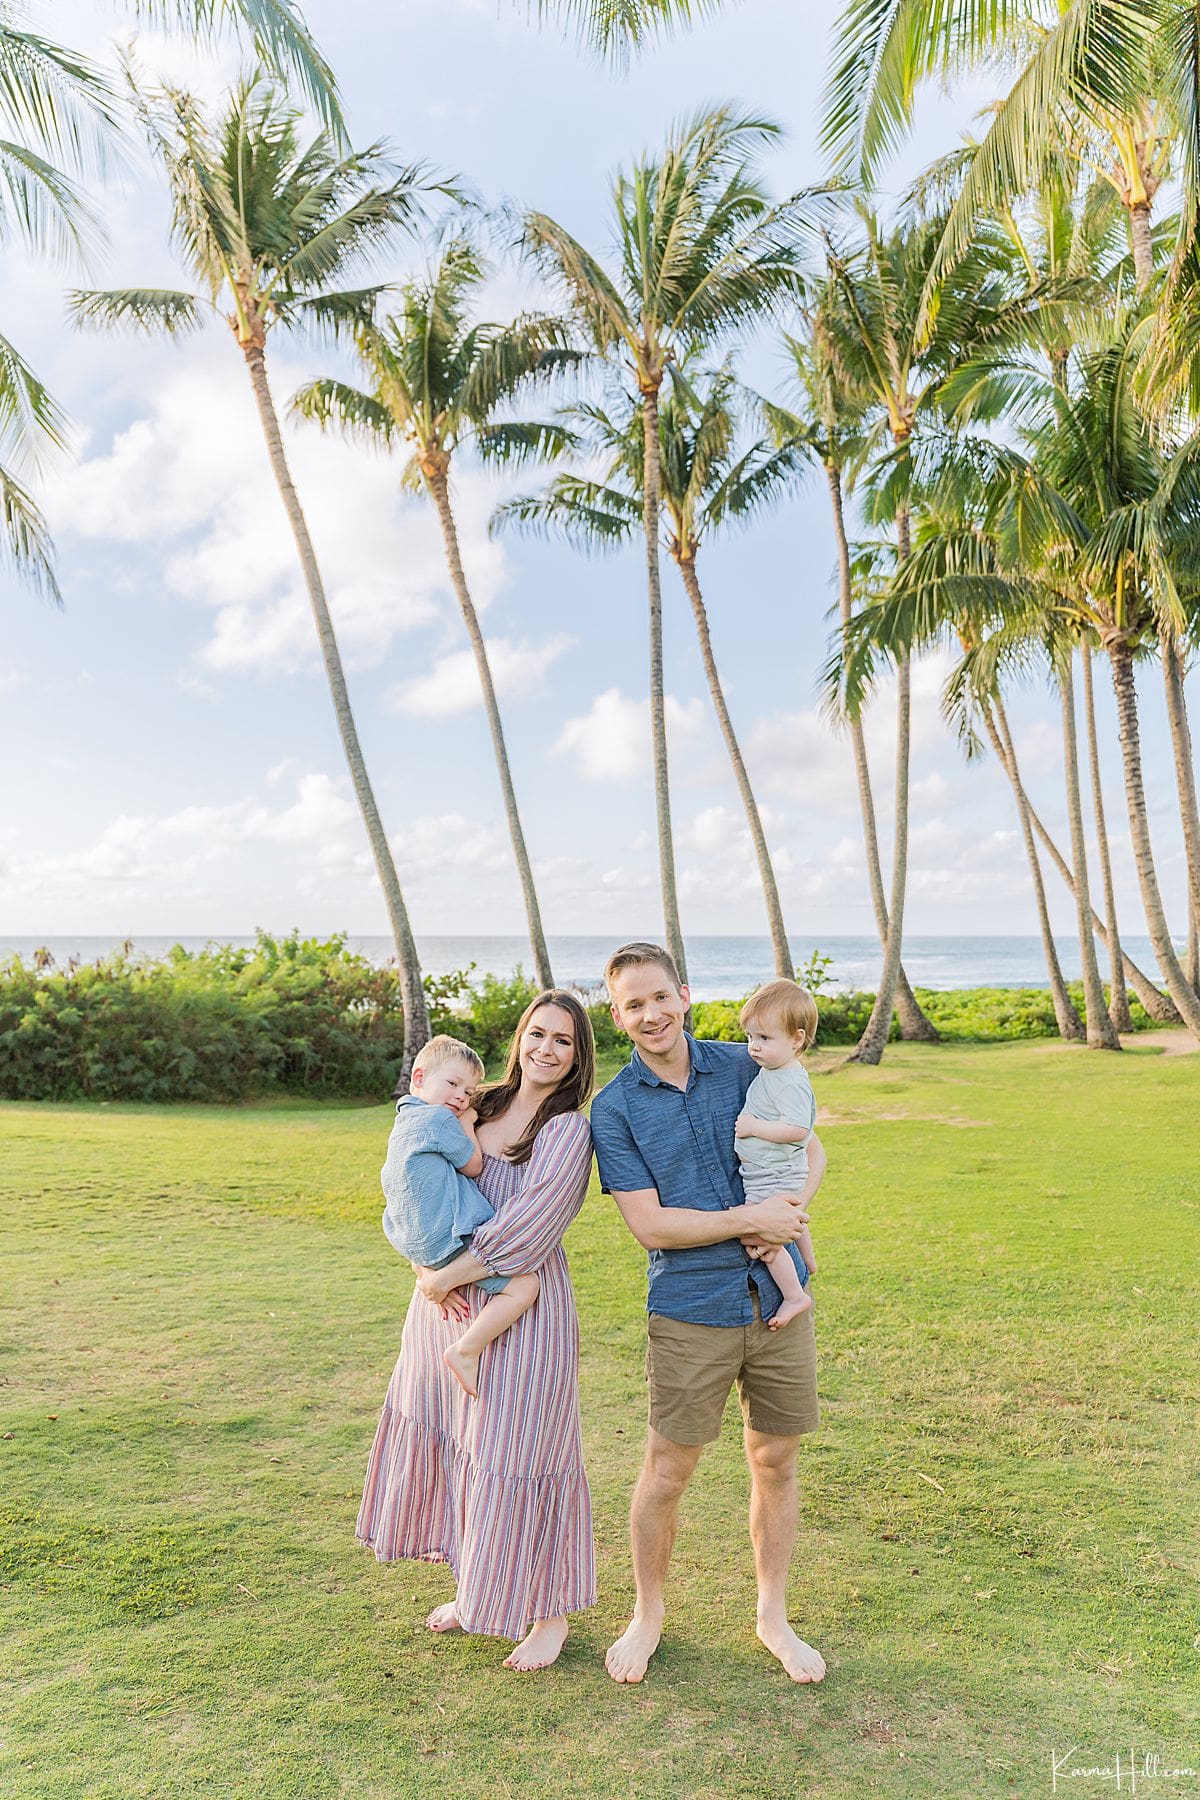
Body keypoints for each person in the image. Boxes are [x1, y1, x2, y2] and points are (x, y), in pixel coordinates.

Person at [589, 942, 827, 1687]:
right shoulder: (615, 1108)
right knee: (667, 1470)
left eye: (661, 997)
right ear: (618, 1015)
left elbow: (811, 1146)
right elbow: (652, 1227)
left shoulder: (748, 1062)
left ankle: (772, 1617)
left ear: (683, 994)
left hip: (778, 1302)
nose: (651, 1014)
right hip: (691, 1307)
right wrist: (747, 1219)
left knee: (776, 1458)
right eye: (634, 1004)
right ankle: (648, 1614)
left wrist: (790, 1212)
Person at [357, 990, 597, 1672]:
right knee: (463, 1447)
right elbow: (412, 1179)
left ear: (578, 1056)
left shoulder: (565, 1132)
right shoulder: (478, 1102)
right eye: (537, 1034)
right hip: (445, 1306)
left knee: (522, 1453)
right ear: (520, 1036)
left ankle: (550, 1616)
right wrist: (423, 1269)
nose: (546, 1050)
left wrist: (446, 1276)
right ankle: (474, 1589)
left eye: (564, 1041)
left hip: (521, 1314)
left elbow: (529, 1229)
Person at [380, 1033, 540, 1399]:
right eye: (452, 1083)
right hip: (448, 1236)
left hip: (415, 1244)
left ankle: (443, 1284)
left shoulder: (403, 1121)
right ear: (419, 1078)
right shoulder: (439, 1121)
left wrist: (428, 1267)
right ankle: (465, 1350)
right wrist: (467, 1123)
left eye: (468, 1092)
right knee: (525, 1286)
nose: (461, 1097)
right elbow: (472, 1165)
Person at [735, 979, 820, 1330]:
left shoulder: (789, 1081)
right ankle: (808, 1261)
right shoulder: (775, 1070)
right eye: (751, 1037)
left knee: (761, 1236)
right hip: (770, 1171)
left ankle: (793, 1295)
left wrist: (753, 1127)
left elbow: (798, 1130)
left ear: (796, 1039)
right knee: (788, 1213)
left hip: (773, 1173)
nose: (753, 1047)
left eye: (764, 1039)